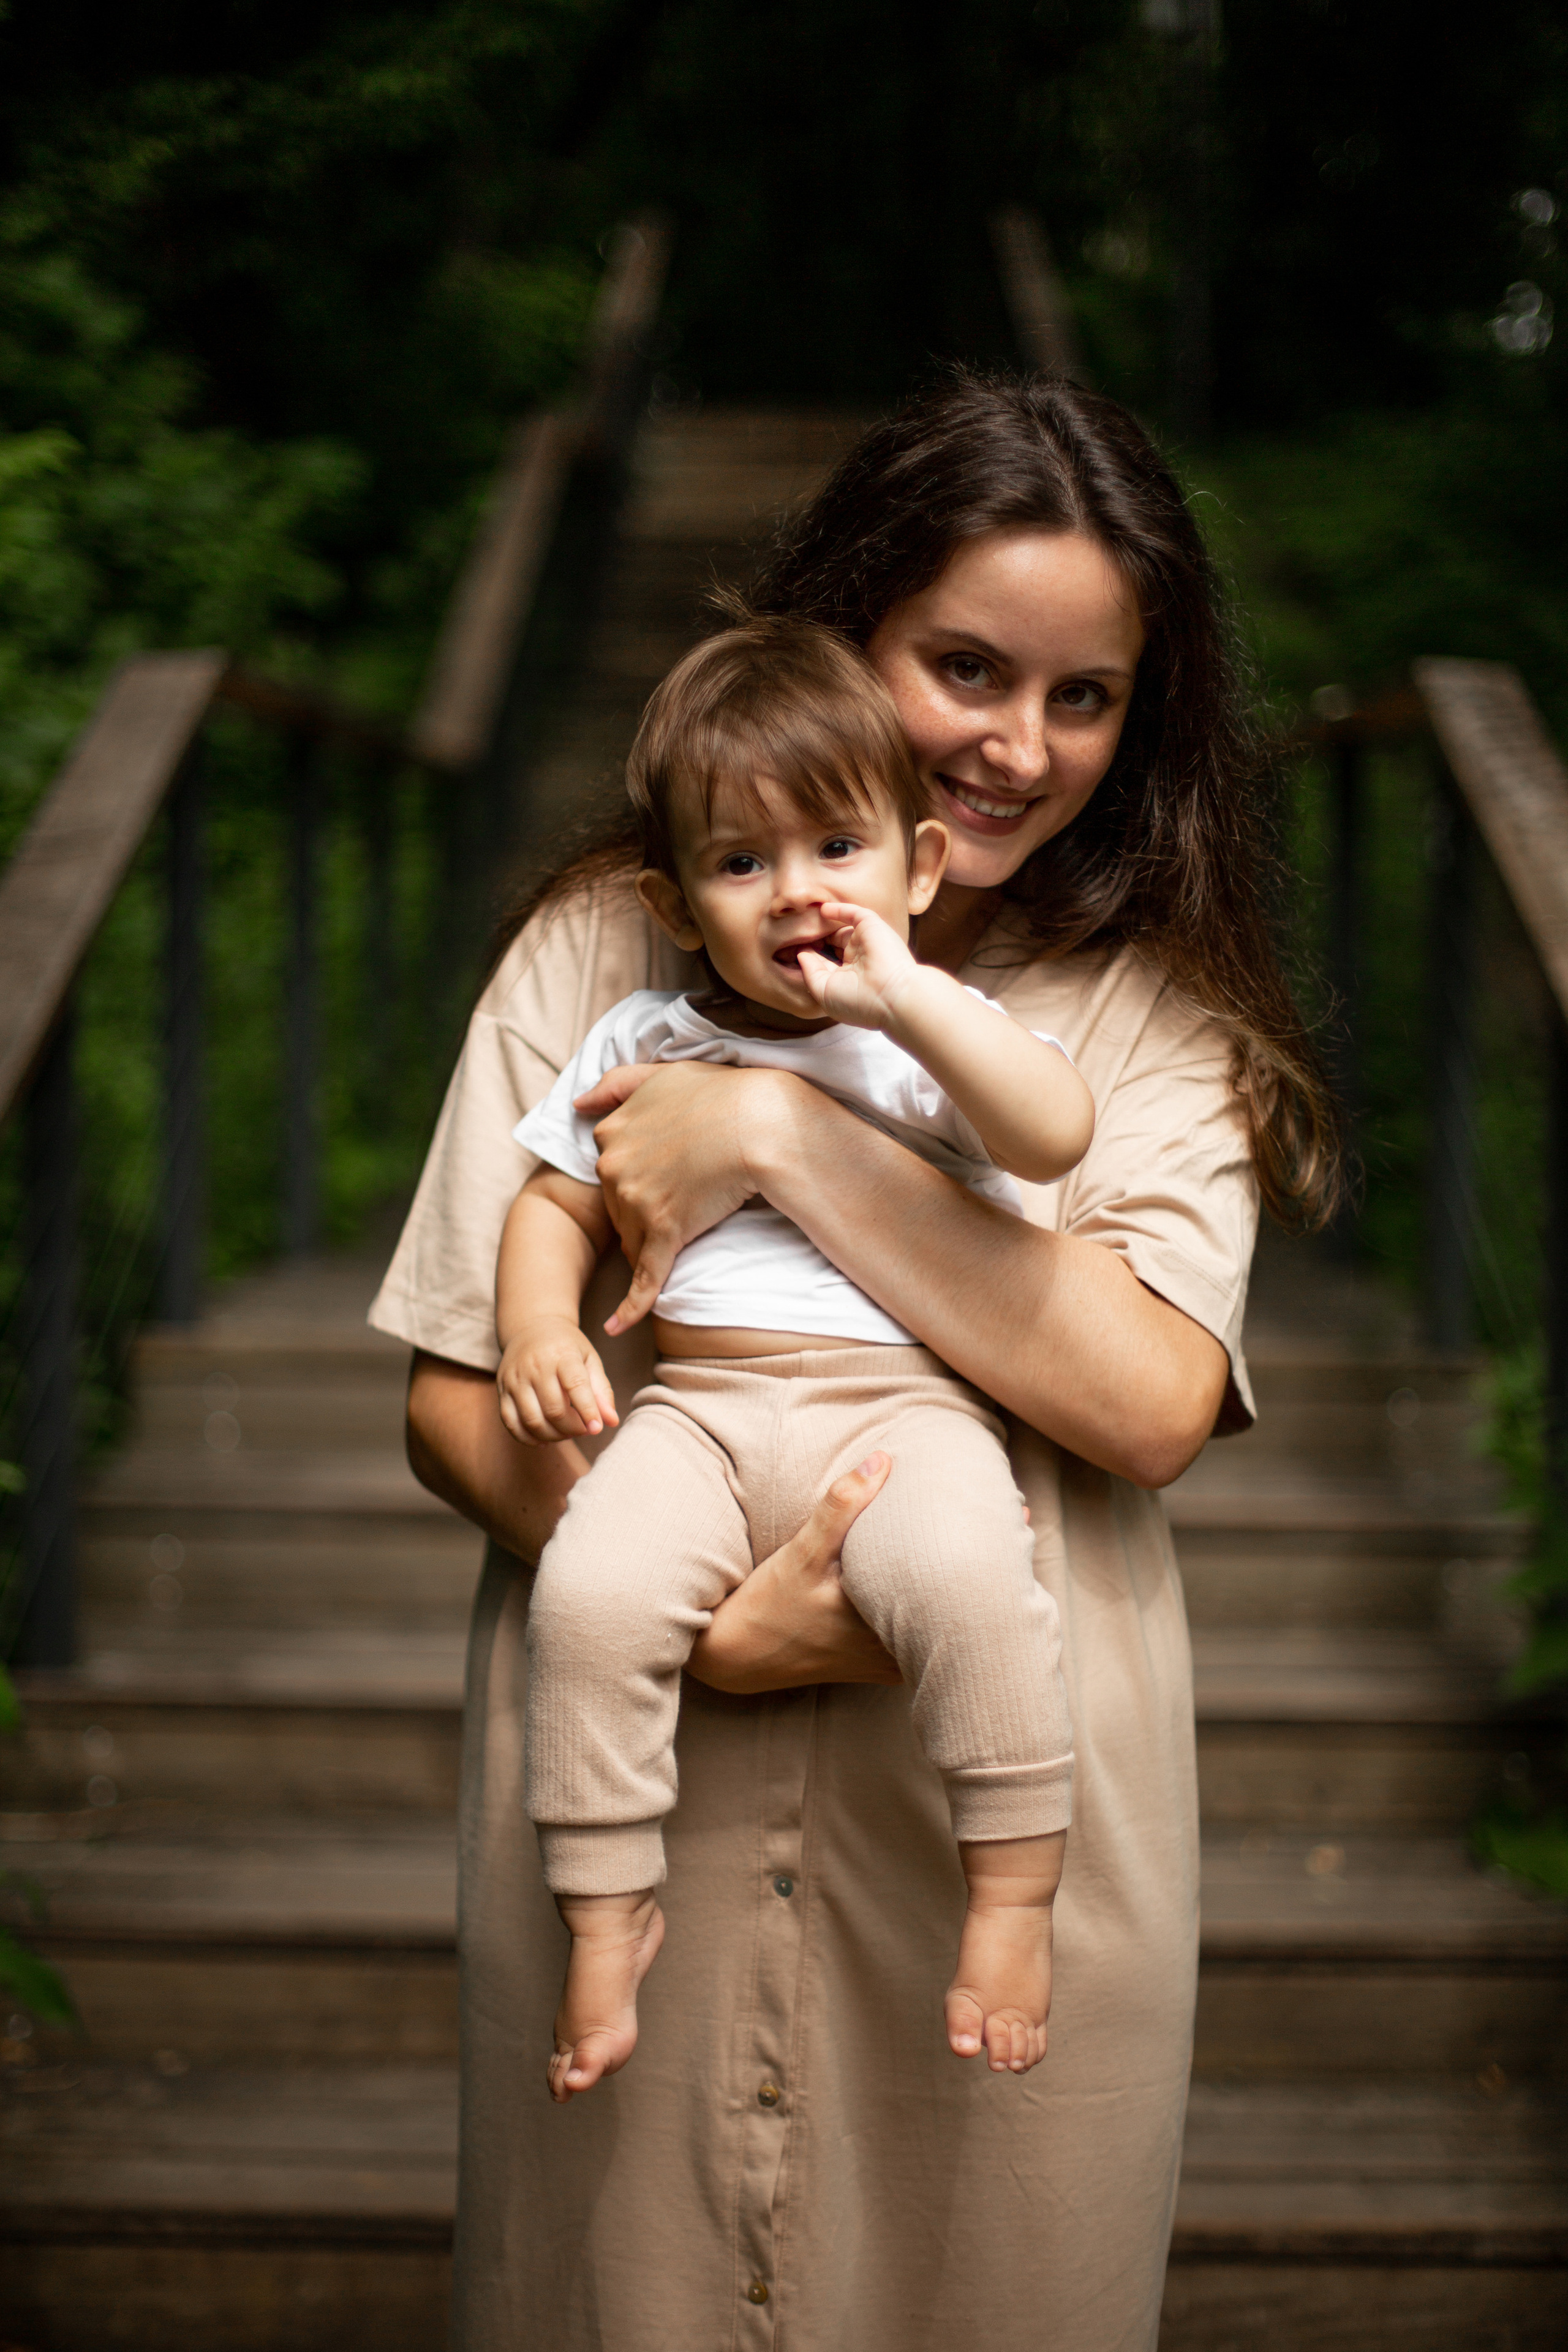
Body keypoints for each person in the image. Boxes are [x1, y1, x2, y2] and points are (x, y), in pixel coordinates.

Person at [371, 368, 1338, 2351]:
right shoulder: (598, 953)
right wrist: (713, 1615)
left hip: (997, 1792)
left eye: (1087, 697)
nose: (1020, 746)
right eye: (966, 666)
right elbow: (459, 1390)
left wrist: (786, 1139)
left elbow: (1151, 1400)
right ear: (841, 641)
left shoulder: (1155, 1024)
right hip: (638, 1768)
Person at [497, 616, 1093, 2102]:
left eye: (837, 846)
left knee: (970, 1585)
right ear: (679, 901)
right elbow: (551, 1203)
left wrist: (908, 1000)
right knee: (583, 1591)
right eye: (742, 862)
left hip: (899, 1417)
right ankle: (604, 1901)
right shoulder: (645, 1034)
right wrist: (532, 1328)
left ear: (917, 868)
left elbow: (1050, 1134)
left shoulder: (922, 1036)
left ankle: (1012, 1901)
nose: (798, 895)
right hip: (695, 1411)